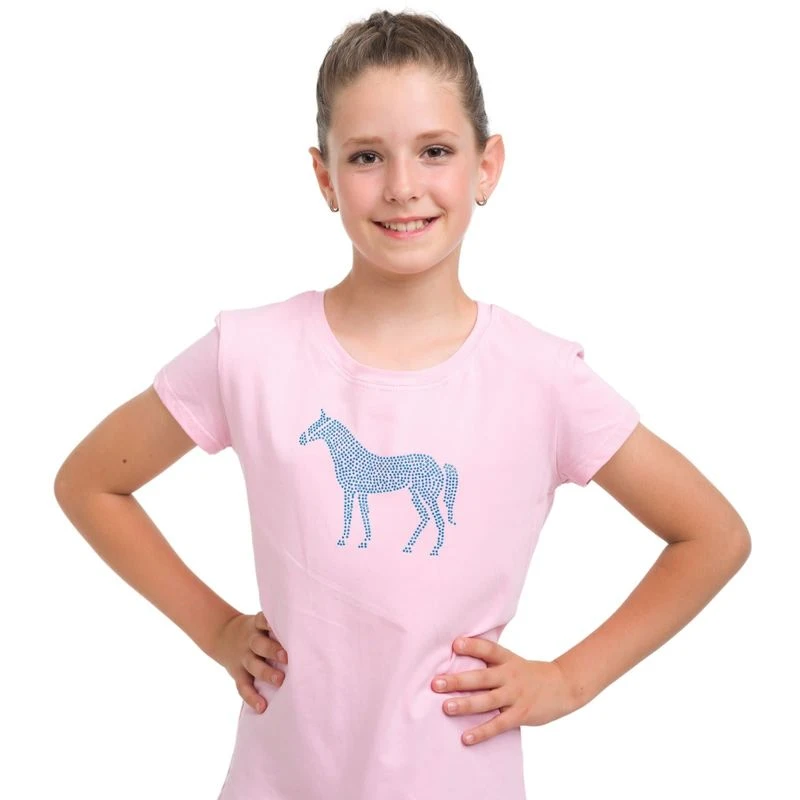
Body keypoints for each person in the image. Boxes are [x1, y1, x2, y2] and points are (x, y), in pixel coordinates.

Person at [53, 10, 751, 800]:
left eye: (435, 151)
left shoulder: (541, 377)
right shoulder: (247, 353)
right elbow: (91, 483)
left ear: (486, 166)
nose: (401, 186)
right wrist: (215, 628)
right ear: (325, 177)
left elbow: (713, 535)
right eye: (366, 156)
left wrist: (568, 679)